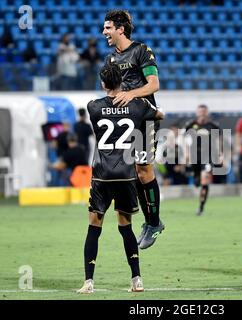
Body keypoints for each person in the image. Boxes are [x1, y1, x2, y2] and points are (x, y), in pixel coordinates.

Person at [77, 63, 164, 294]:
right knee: (126, 228)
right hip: (127, 176)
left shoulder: (93, 107)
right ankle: (137, 280)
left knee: (93, 228)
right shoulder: (137, 106)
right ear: (122, 82)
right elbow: (159, 114)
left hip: (102, 176)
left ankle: (88, 283)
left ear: (103, 83)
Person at [102, 10, 164, 250]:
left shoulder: (141, 51)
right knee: (133, 172)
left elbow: (154, 85)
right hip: (124, 122)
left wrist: (130, 94)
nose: (104, 32)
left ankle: (154, 222)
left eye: (107, 28)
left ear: (120, 29)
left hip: (145, 119)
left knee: (144, 169)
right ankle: (150, 221)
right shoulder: (110, 59)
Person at [184, 104, 223, 216]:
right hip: (194, 155)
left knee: (205, 180)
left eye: (204, 112)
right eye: (200, 112)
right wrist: (186, 153)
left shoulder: (213, 125)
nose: (202, 114)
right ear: (197, 113)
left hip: (208, 155)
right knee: (197, 181)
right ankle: (196, 177)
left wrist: (220, 154)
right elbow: (185, 139)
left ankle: (201, 207)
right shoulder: (190, 125)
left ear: (207, 113)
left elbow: (219, 140)